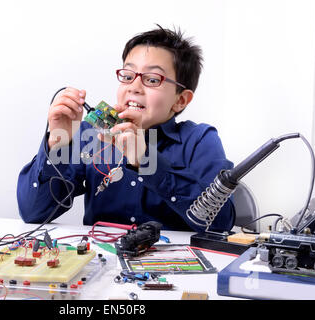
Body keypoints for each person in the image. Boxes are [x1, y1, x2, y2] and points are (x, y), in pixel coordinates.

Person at [17, 25, 235, 232]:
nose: (134, 87)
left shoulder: (200, 140)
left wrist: (146, 160)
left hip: (170, 267)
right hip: (102, 261)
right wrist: (59, 141)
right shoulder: (90, 135)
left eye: (151, 79)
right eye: (128, 76)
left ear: (181, 100)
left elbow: (220, 222)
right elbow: (33, 213)